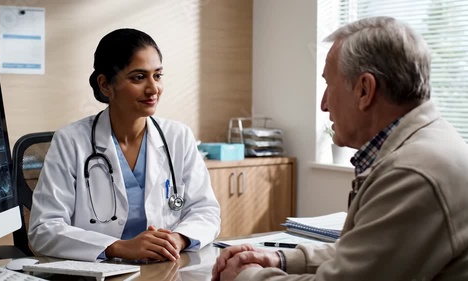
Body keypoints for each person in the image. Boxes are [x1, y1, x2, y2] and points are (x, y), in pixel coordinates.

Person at [212, 16, 468, 281]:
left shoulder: (413, 173)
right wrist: (282, 259)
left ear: (364, 91)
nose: (324, 104)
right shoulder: (425, 147)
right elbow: (366, 254)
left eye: (328, 85)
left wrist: (246, 276)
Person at [28, 28, 221, 262]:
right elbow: (44, 229)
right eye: (138, 77)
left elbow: (206, 211)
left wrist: (178, 239)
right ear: (106, 85)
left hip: (165, 268)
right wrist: (117, 247)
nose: (153, 89)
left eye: (157, 75)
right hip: (100, 272)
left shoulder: (178, 136)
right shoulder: (71, 141)